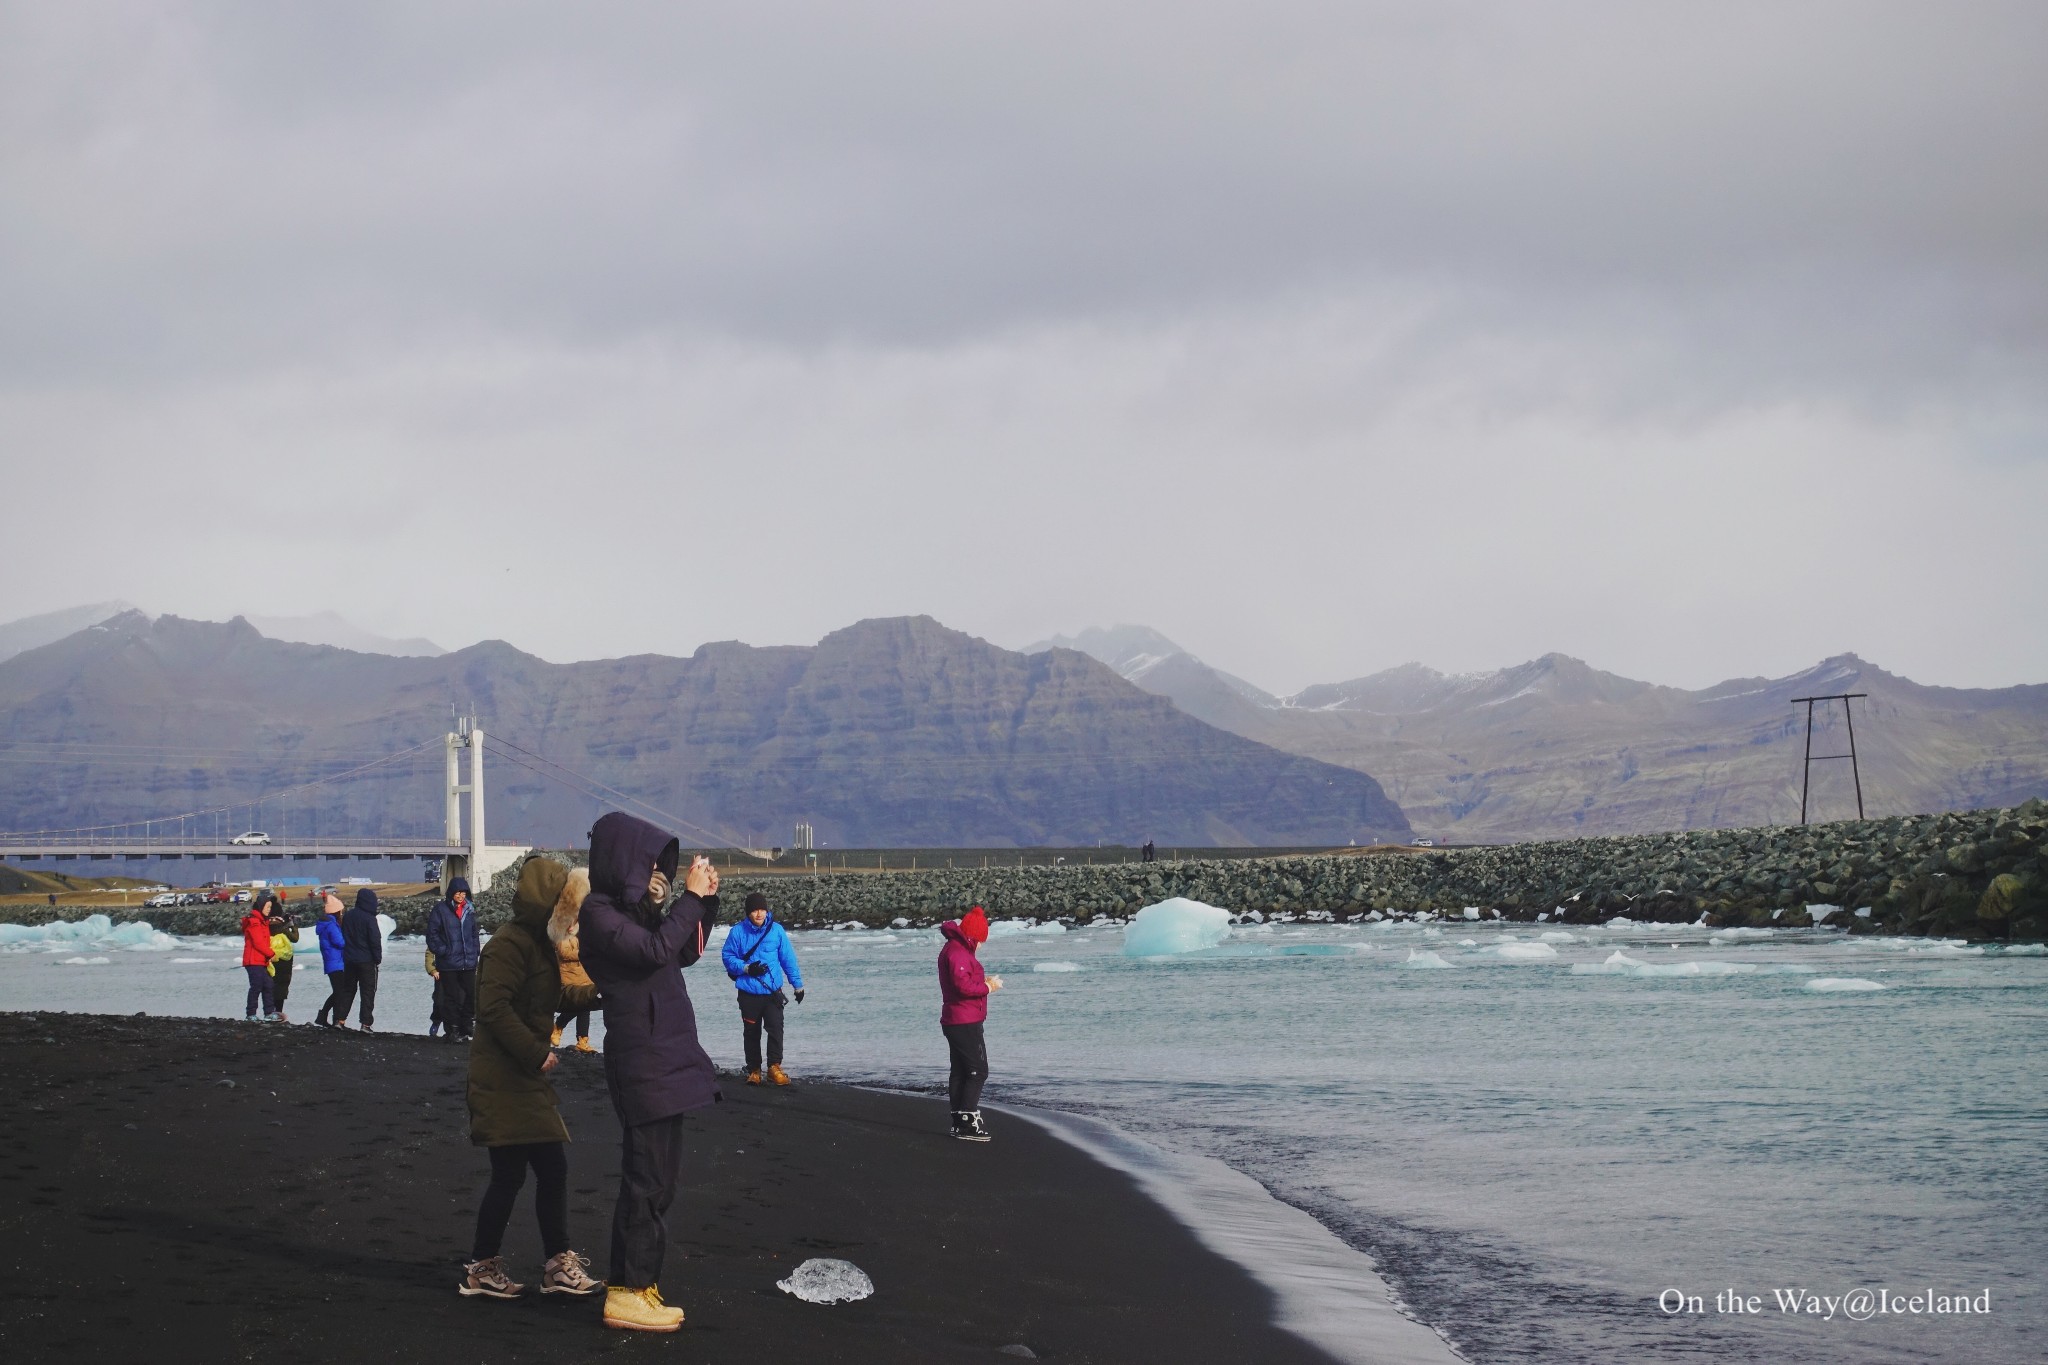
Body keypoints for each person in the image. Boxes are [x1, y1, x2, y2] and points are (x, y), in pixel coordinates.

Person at [577, 813, 720, 1334]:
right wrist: (684, 901)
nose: (655, 872)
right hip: (643, 1059)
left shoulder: (633, 912)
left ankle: (640, 1285)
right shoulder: (598, 914)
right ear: (624, 861)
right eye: (649, 863)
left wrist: (702, 900)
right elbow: (656, 950)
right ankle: (627, 1292)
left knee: (660, 1183)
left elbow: (685, 950)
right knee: (645, 1181)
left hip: (664, 1057)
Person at [459, 856, 605, 1301]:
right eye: (571, 908)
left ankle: (540, 1265)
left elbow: (556, 993)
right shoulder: (508, 945)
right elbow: (492, 1009)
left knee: (539, 1170)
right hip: (502, 1079)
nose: (576, 918)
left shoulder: (538, 942)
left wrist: (601, 994)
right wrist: (536, 1051)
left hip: (520, 1079)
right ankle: (501, 1268)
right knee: (518, 1174)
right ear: (554, 904)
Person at [720, 891, 804, 1085]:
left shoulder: (776, 931)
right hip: (748, 993)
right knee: (751, 1032)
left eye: (762, 910)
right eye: (755, 910)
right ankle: (754, 1070)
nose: (759, 914)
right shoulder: (738, 932)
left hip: (772, 993)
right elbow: (727, 957)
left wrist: (797, 985)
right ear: (748, 912)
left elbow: (788, 959)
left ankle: (774, 1068)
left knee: (775, 1029)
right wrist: (747, 968)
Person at [937, 904, 1003, 1142]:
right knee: (977, 1071)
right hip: (964, 1020)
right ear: (973, 937)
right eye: (982, 940)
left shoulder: (957, 950)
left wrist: (981, 980)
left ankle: (959, 1119)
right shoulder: (958, 952)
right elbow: (962, 986)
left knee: (961, 1070)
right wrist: (988, 987)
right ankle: (966, 1121)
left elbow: (962, 980)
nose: (982, 945)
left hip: (958, 1018)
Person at [427, 877, 482, 1043]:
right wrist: (444, 951)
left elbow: (474, 933)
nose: (460, 895)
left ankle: (465, 1027)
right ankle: (453, 1031)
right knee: (451, 998)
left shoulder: (469, 910)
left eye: (463, 892)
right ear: (451, 893)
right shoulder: (440, 910)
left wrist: (475, 951)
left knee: (472, 995)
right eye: (458, 892)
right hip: (449, 963)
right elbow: (432, 934)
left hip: (468, 962)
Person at [336, 886, 384, 1031]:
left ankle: (340, 1020)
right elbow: (375, 940)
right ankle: (365, 1023)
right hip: (366, 961)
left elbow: (344, 935)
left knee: (348, 990)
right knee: (368, 992)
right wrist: (378, 958)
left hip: (350, 960)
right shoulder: (370, 918)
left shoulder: (349, 916)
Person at [313, 894, 350, 1027]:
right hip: (336, 963)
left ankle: (329, 1018)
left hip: (332, 963)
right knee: (340, 992)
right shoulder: (331, 925)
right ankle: (330, 1018)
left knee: (338, 992)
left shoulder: (327, 924)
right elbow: (340, 942)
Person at [241, 893, 278, 1021]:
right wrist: (271, 954)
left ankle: (268, 1013)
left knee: (268, 984)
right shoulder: (254, 922)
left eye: (270, 907)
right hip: (253, 961)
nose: (269, 909)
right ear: (261, 906)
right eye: (267, 906)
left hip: (261, 961)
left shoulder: (263, 921)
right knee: (256, 986)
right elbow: (258, 942)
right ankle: (251, 1014)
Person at [267, 897, 299, 1024]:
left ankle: (269, 1012)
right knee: (281, 987)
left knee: (270, 986)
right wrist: (293, 925)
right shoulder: (282, 927)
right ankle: (278, 1013)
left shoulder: (266, 925)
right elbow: (295, 938)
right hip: (284, 962)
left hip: (269, 958)